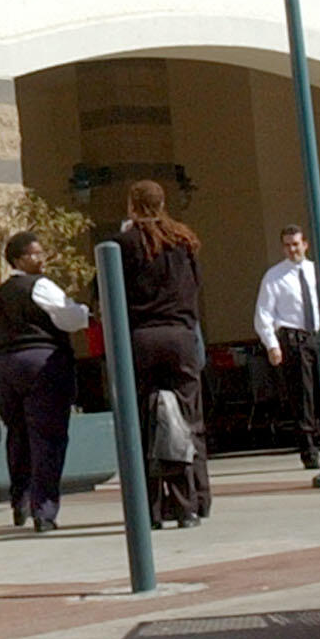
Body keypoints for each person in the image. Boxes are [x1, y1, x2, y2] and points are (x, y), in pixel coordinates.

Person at [116, 179, 209, 528]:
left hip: (141, 337)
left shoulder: (123, 243)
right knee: (187, 420)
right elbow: (195, 286)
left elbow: (106, 291)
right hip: (180, 336)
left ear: (132, 205)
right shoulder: (184, 241)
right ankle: (191, 503)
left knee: (144, 421)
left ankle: (151, 510)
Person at [0, 231, 89, 532]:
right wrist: (84, 312)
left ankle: (20, 500)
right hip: (42, 364)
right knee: (48, 437)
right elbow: (68, 317)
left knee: (17, 436)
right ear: (18, 258)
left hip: (4, 366)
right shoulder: (40, 286)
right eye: (34, 253)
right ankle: (43, 510)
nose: (41, 257)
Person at [251, 224, 320, 470]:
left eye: (296, 244)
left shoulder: (318, 272)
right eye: (287, 245)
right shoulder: (274, 276)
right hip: (294, 340)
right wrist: (272, 345)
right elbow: (264, 313)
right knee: (302, 396)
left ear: (305, 244)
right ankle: (309, 450)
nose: (292, 249)